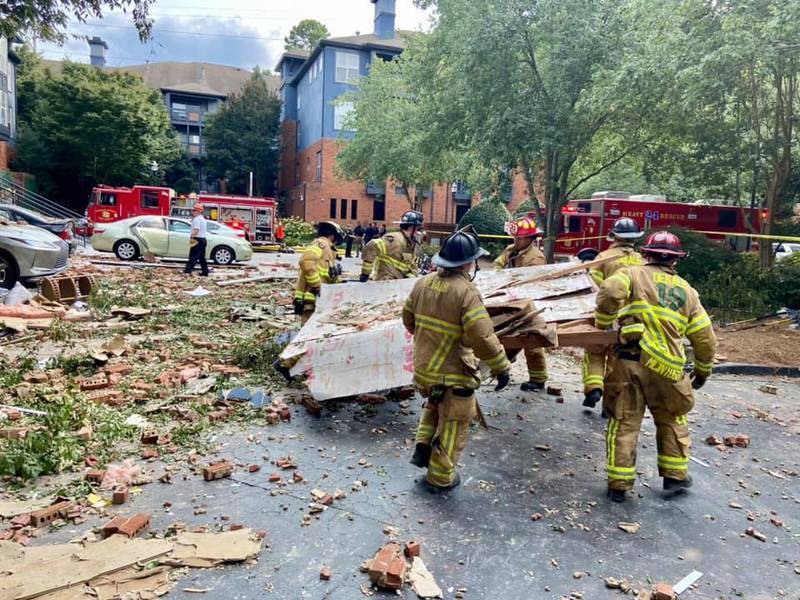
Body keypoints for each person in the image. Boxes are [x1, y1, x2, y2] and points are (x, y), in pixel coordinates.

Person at [595, 231, 716, 503]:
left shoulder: (631, 274)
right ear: (675, 260)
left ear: (646, 254)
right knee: (672, 419)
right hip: (669, 369)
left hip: (630, 361)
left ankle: (619, 484)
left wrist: (603, 323)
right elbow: (705, 337)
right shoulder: (687, 291)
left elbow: (610, 292)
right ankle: (674, 476)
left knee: (624, 422)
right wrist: (703, 369)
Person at [404, 227, 511, 493]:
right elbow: (482, 337)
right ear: (467, 262)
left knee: (434, 404)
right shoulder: (466, 292)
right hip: (454, 375)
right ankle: (440, 476)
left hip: (427, 373)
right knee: (455, 421)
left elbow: (408, 320)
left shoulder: (422, 284)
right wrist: (501, 367)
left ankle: (423, 446)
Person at [582, 218, 645, 409]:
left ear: (614, 235)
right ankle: (610, 404)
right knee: (618, 358)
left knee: (595, 351)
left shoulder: (604, 257)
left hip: (604, 314)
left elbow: (591, 286)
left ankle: (594, 387)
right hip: (630, 320)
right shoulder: (643, 261)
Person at [273, 220, 345, 381]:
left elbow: (326, 276)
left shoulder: (329, 251)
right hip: (311, 301)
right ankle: (285, 365)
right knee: (310, 337)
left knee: (313, 336)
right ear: (332, 235)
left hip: (318, 303)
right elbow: (305, 261)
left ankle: (295, 366)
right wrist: (318, 286)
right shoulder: (321, 244)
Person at [494, 216, 549, 391]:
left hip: (529, 304)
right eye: (515, 237)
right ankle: (503, 366)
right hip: (510, 301)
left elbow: (532, 283)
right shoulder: (512, 250)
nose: (515, 240)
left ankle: (538, 379)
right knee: (507, 336)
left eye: (519, 238)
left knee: (531, 341)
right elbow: (497, 266)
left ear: (530, 239)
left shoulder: (536, 258)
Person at [360, 211, 424, 281]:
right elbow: (372, 246)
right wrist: (365, 274)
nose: (418, 232)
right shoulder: (394, 239)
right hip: (385, 283)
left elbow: (412, 265)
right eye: (417, 228)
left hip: (398, 285)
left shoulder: (410, 243)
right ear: (411, 227)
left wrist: (409, 279)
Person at [184, 204, 209, 277]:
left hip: (197, 238)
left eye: (194, 210)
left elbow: (196, 229)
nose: (192, 212)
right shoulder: (203, 219)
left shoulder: (197, 219)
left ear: (198, 211)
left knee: (193, 256)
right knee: (201, 257)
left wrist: (192, 237)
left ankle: (187, 270)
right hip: (203, 239)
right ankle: (205, 271)